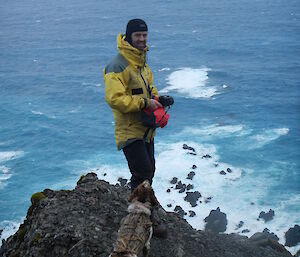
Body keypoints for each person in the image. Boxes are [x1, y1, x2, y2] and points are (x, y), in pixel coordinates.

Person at [103, 19, 172, 238]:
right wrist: (144, 103)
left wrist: (156, 98)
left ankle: (144, 213)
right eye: (137, 36)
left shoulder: (141, 62)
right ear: (129, 37)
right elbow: (115, 99)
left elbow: (148, 87)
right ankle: (141, 219)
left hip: (145, 129)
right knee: (142, 172)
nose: (142, 39)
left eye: (144, 35)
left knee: (148, 171)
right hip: (129, 131)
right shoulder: (118, 65)